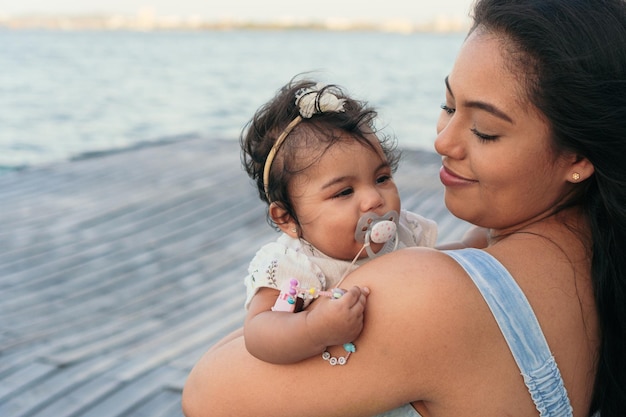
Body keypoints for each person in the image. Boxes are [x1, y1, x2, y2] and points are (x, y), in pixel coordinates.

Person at [183, 0, 626, 416]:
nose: (442, 141)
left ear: (578, 157)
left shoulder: (425, 295)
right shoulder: (598, 259)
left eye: (486, 130)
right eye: (447, 106)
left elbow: (206, 394)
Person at [239, 79, 438, 364]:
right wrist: (314, 328)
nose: (374, 200)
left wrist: (475, 247)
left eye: (381, 178)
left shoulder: (405, 233)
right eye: (344, 191)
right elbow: (258, 333)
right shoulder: (296, 265)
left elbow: (440, 264)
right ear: (288, 219)